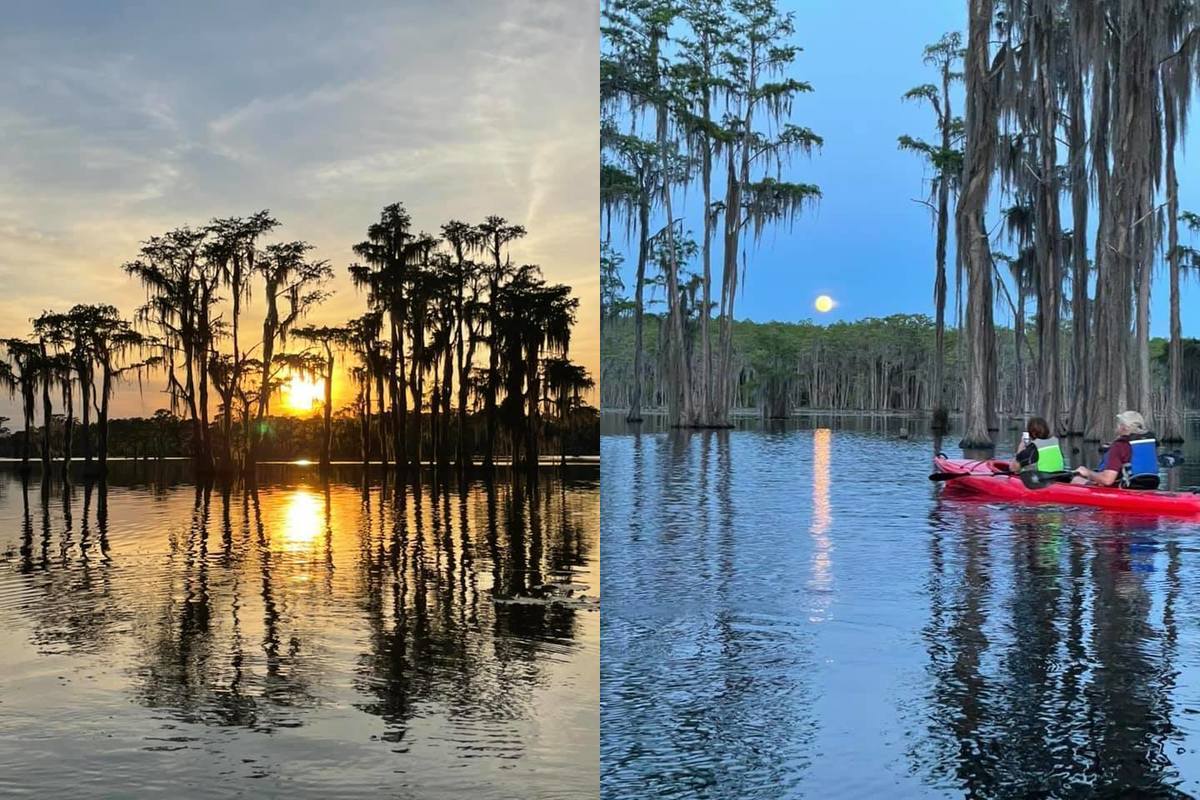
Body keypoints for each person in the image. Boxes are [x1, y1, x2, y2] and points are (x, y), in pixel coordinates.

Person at [1073, 410, 1159, 488]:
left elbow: (1108, 480)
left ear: (1123, 427)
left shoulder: (1119, 446)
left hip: (1126, 488)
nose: (1116, 426)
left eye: (1118, 424)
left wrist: (1087, 472)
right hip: (1150, 486)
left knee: (1076, 480)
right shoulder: (1149, 442)